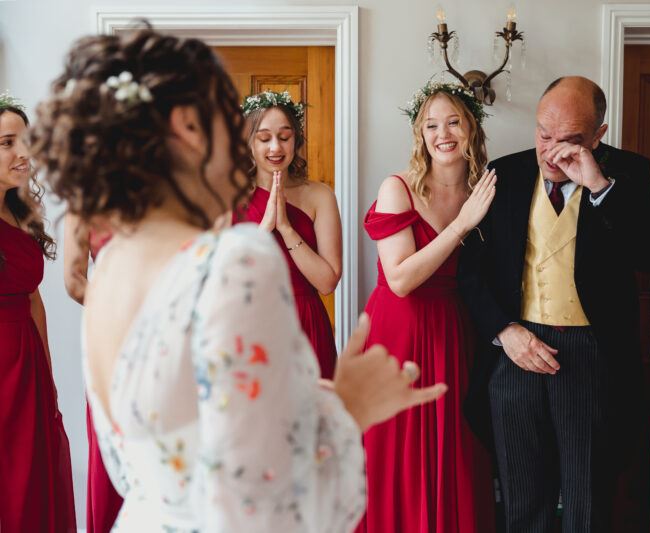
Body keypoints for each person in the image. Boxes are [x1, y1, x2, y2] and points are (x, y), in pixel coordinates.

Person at [31, 28, 446, 532]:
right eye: (231, 121)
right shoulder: (233, 259)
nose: (245, 141)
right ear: (188, 128)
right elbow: (260, 494)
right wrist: (348, 408)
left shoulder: (115, 262)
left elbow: (187, 440)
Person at [458, 76, 650, 532]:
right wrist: (504, 331)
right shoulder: (506, 173)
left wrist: (599, 187)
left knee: (587, 496)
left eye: (570, 139)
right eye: (543, 134)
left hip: (592, 356)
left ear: (598, 134)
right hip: (515, 352)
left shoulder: (628, 172)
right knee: (521, 495)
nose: (551, 151)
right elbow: (470, 272)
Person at [356, 82, 496, 533]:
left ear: (471, 127)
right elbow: (399, 280)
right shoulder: (398, 188)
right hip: (398, 331)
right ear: (420, 134)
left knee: (453, 445)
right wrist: (461, 225)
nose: (443, 133)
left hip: (454, 332)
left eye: (453, 121)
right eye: (431, 125)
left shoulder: (485, 190)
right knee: (395, 447)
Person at [0, 95, 76, 531]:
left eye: (25, 141)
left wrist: (46, 371)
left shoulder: (21, 212)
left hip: (26, 360)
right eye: (8, 142)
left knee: (32, 473)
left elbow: (33, 297)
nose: (23, 153)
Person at [234, 91, 340, 378]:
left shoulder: (319, 196)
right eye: (264, 137)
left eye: (284, 136)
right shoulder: (228, 199)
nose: (275, 147)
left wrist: (286, 228)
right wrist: (266, 227)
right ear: (249, 143)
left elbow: (327, 282)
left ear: (296, 140)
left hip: (306, 325)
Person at [63, 212, 123, 533]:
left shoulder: (167, 188)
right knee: (110, 445)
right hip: (111, 337)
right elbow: (74, 279)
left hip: (168, 336)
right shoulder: (83, 202)